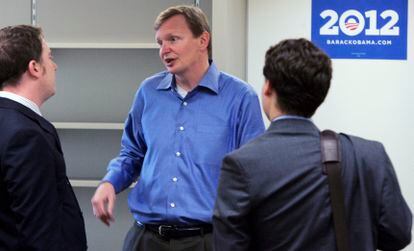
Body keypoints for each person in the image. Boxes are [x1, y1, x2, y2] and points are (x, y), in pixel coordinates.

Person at [91, 5, 265, 251]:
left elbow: (254, 174)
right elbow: (132, 154)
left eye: (173, 39)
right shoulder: (148, 92)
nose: (164, 50)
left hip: (209, 240)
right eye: (160, 42)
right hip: (146, 239)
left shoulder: (240, 97)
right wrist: (109, 183)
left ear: (203, 40)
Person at [213, 38, 412, 251]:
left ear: (268, 87)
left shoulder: (242, 164)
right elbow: (398, 235)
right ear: (320, 93)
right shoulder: (369, 155)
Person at [0, 25, 87, 250]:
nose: (55, 66)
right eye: (50, 57)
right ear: (34, 68)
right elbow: (40, 232)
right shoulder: (26, 135)